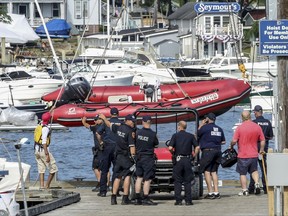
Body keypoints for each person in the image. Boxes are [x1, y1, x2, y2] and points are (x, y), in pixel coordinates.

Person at [99, 113, 136, 205]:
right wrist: (134, 158)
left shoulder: (119, 128)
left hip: (118, 156)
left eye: (134, 122)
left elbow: (109, 124)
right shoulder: (130, 132)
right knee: (127, 176)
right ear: (127, 120)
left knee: (117, 176)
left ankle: (113, 198)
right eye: (132, 121)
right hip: (126, 156)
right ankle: (125, 198)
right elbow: (132, 147)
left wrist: (104, 118)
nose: (133, 123)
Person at [230, 110, 265, 196]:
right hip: (253, 154)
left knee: (243, 173)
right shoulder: (257, 127)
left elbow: (234, 140)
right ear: (250, 116)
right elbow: (262, 140)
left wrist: (231, 146)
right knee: (254, 170)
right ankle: (257, 183)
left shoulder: (239, 128)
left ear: (242, 117)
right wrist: (261, 149)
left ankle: (244, 190)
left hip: (243, 155)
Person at [168, 121, 199, 206]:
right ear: (185, 127)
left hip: (178, 160)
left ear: (179, 127)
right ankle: (188, 201)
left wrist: (173, 153)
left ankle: (178, 201)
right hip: (187, 159)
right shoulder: (190, 136)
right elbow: (197, 147)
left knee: (177, 181)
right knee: (187, 181)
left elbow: (170, 147)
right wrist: (194, 155)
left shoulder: (175, 136)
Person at [198, 113, 226, 199]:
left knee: (206, 171)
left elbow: (196, 135)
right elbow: (223, 141)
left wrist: (201, 124)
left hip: (208, 151)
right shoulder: (219, 129)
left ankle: (210, 193)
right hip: (217, 151)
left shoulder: (204, 128)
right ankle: (216, 192)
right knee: (214, 171)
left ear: (207, 119)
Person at [96, 107, 123, 197]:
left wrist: (101, 143)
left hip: (107, 147)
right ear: (118, 114)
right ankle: (116, 191)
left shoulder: (105, 123)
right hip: (118, 148)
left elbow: (98, 133)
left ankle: (103, 191)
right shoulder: (121, 123)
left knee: (105, 170)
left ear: (110, 114)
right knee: (117, 169)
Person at [248, 105, 274, 194]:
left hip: (254, 147)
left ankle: (252, 187)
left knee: (253, 168)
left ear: (255, 112)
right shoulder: (267, 122)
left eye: (254, 112)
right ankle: (266, 188)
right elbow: (270, 136)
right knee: (264, 168)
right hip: (264, 147)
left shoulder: (254, 123)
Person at [134, 115, 159, 205]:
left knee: (139, 177)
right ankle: (145, 197)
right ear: (150, 122)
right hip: (148, 158)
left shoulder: (138, 132)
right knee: (147, 179)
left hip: (139, 157)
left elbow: (134, 143)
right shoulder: (153, 134)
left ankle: (137, 198)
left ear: (142, 122)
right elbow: (156, 143)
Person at [82, 115, 107, 192]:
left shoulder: (96, 128)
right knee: (106, 168)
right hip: (107, 149)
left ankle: (100, 183)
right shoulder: (107, 127)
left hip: (99, 150)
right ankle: (107, 185)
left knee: (95, 167)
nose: (94, 121)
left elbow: (87, 126)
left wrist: (83, 121)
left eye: (96, 120)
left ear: (100, 120)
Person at [34, 112, 58, 189]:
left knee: (41, 169)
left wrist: (52, 109)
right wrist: (47, 154)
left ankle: (42, 186)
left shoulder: (39, 125)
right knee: (53, 169)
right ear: (49, 120)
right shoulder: (45, 129)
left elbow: (46, 116)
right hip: (43, 151)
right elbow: (44, 142)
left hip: (37, 150)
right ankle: (47, 185)